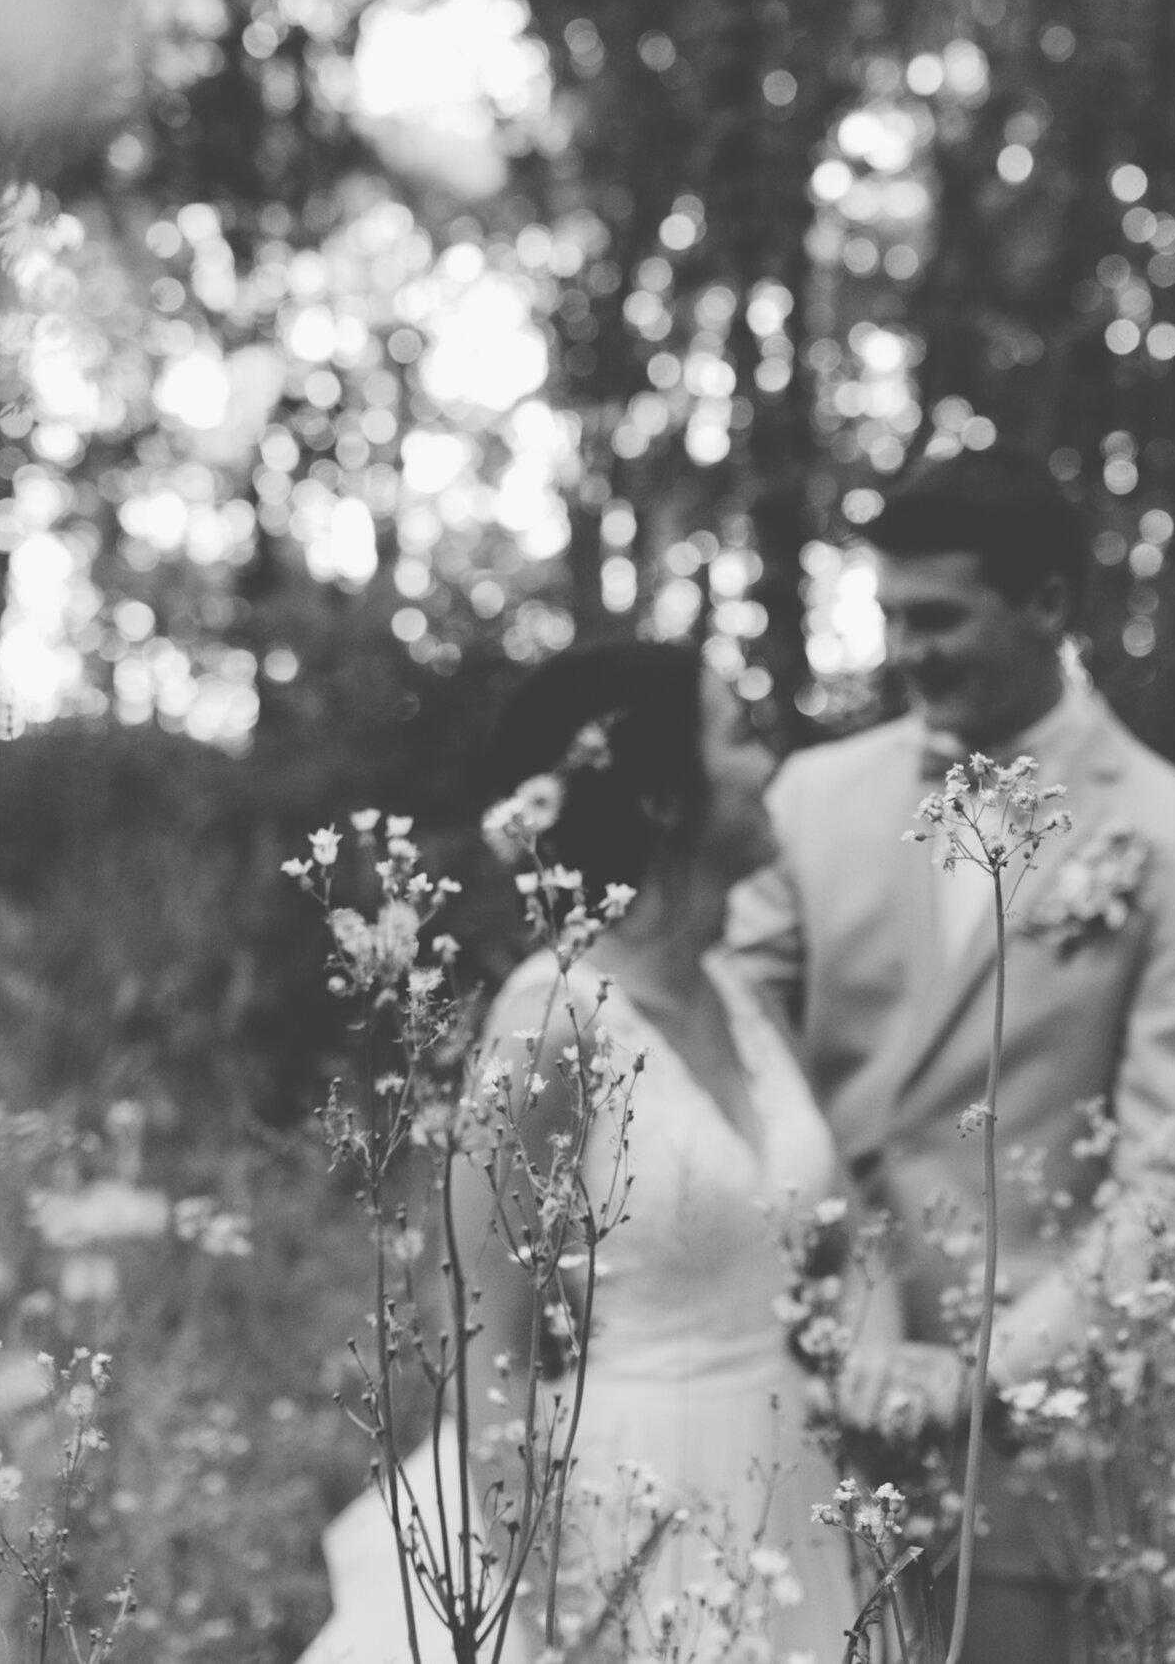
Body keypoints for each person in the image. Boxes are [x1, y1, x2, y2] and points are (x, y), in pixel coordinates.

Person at [728, 445, 1175, 1664]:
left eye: (938, 617)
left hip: (1029, 1421)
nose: (906, 651)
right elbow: (737, 1065)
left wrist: (992, 1366)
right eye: (889, 617)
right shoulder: (809, 799)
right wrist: (850, 1316)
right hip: (798, 1370)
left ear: (1050, 604)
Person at [305, 643, 860, 1664]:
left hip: (789, 1492)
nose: (763, 760)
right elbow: (480, 1342)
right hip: (627, 1509)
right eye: (736, 733)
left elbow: (833, 1249)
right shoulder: (554, 1020)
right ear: (660, 796)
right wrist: (556, 1606)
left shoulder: (744, 995)